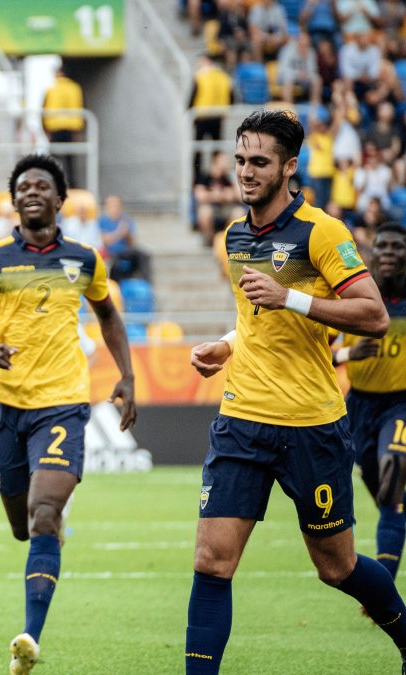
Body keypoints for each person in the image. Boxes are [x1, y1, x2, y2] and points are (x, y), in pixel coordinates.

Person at [184, 109, 404, 674]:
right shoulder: (233, 236)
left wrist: (294, 298)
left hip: (311, 424)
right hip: (242, 419)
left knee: (337, 567)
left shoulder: (322, 231)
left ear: (288, 167)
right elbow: (257, 317)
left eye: (258, 162)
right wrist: (228, 344)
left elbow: (374, 316)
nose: (246, 172)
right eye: (239, 160)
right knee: (212, 562)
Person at [0, 154, 137, 675]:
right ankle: (40, 524)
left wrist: (127, 376)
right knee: (21, 521)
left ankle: (29, 637)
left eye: (43, 186)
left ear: (60, 200)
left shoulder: (84, 259)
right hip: (6, 403)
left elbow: (110, 318)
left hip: (63, 401)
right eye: (24, 186)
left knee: (45, 514)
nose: (32, 192)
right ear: (14, 201)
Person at [335, 224, 406, 580]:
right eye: (383, 246)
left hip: (400, 404)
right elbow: (318, 349)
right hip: (359, 406)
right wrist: (350, 351)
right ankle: (393, 524)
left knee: (394, 468)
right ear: (372, 252)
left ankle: (385, 576)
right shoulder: (354, 295)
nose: (390, 253)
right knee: (385, 495)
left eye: (398, 247)